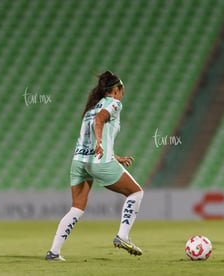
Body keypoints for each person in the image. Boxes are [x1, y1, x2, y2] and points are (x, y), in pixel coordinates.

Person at [45, 71, 144, 261]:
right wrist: (100, 143)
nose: (122, 93)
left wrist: (114, 155)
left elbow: (93, 129)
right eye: (122, 90)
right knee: (136, 193)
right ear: (116, 90)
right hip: (99, 162)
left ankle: (54, 252)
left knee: (77, 208)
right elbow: (100, 122)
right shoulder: (114, 104)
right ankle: (122, 236)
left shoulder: (90, 108)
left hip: (79, 162)